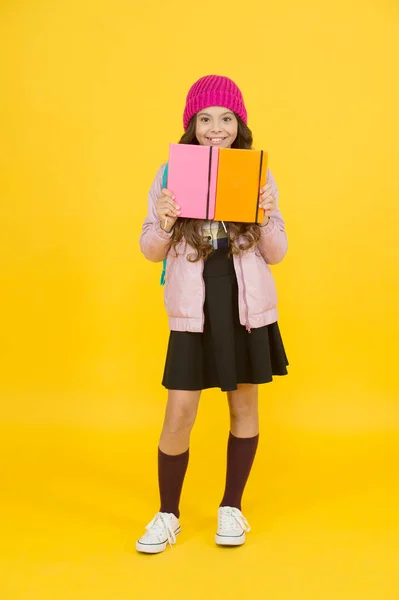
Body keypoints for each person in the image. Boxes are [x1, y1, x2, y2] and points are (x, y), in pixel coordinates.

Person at [137, 75, 288, 554]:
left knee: (243, 406)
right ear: (192, 125)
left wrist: (263, 216)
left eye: (226, 119)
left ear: (238, 124)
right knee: (179, 413)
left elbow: (279, 252)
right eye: (205, 119)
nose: (216, 128)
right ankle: (167, 514)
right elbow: (148, 250)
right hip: (192, 306)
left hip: (244, 304)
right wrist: (162, 222)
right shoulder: (167, 175)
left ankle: (232, 507)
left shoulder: (260, 175)